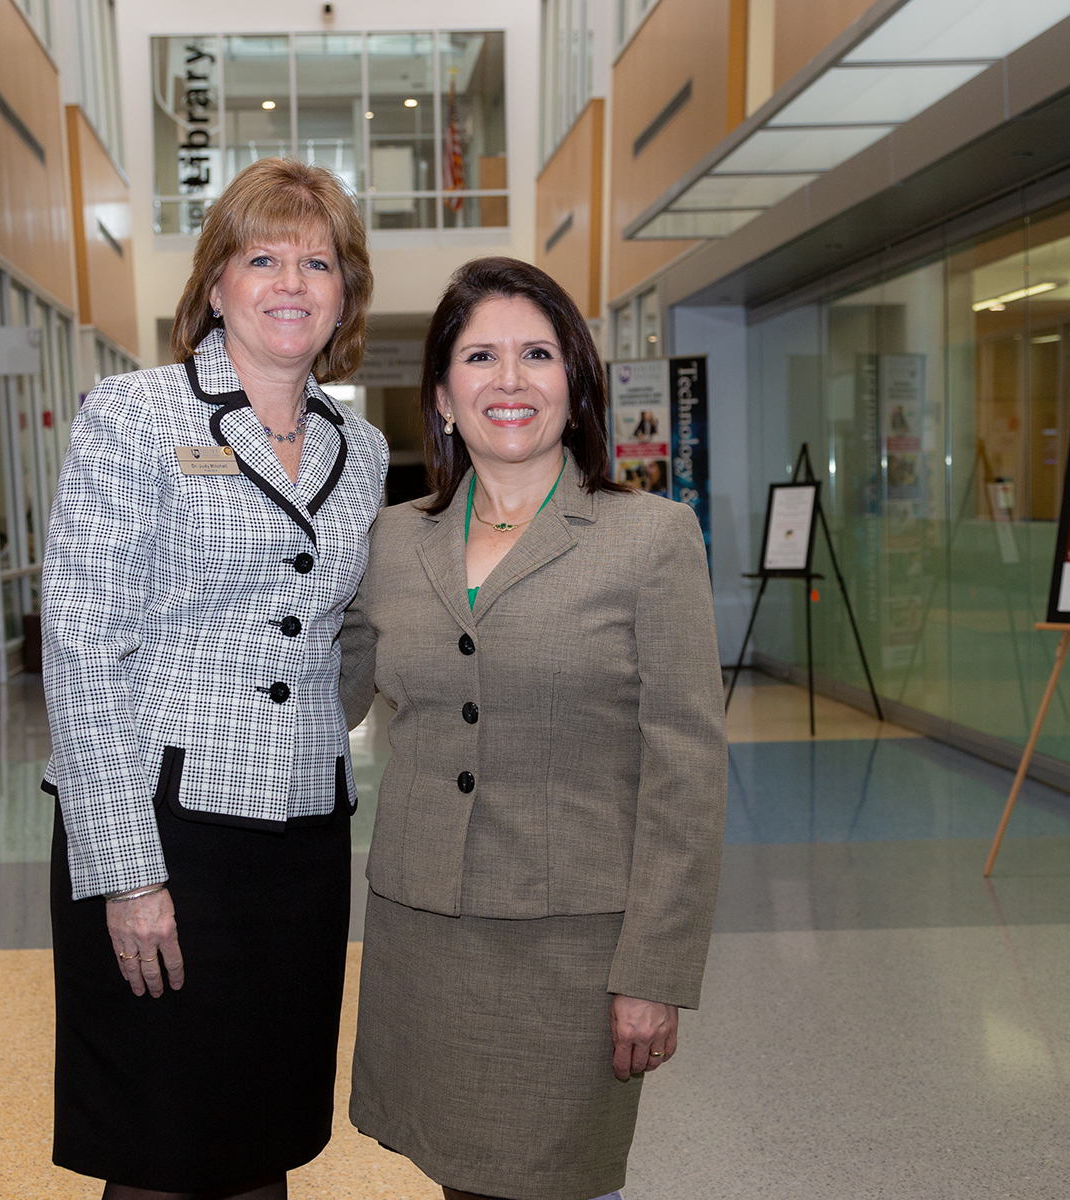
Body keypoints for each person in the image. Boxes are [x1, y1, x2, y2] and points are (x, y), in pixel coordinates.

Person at [340, 257, 727, 1200]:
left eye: (537, 354)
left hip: (574, 955)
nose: (509, 380)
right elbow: (323, 694)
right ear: (441, 394)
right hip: (425, 934)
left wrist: (655, 970)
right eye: (480, 356)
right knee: (457, 1184)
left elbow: (688, 767)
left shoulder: (652, 539)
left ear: (574, 382)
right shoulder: (391, 540)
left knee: (554, 1182)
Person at [40, 158, 388, 1200]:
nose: (292, 281)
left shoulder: (359, 447)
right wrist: (125, 872)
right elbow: (82, 645)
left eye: (318, 261)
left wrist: (318, 729)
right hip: (163, 836)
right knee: (160, 1145)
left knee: (260, 1132)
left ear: (345, 293)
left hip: (301, 843)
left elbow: (355, 630)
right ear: (218, 282)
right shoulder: (137, 414)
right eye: (264, 257)